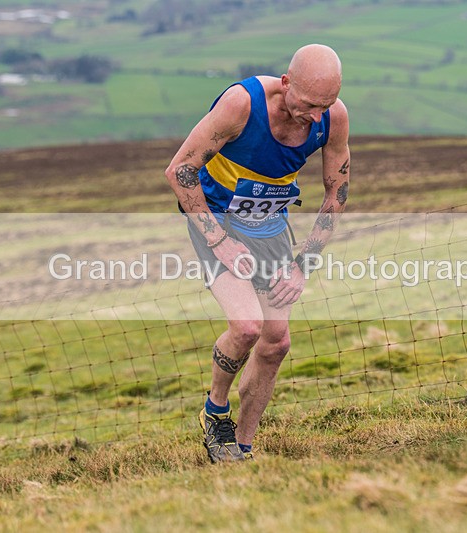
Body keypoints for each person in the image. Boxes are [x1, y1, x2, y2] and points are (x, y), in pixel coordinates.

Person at [164, 44, 350, 463]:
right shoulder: (241, 104)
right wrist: (218, 240)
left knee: (276, 342)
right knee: (247, 326)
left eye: (327, 104)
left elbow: (338, 190)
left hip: (269, 225)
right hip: (216, 220)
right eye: (308, 104)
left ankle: (241, 449)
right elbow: (180, 171)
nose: (317, 116)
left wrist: (305, 263)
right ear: (286, 84)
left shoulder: (331, 117)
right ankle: (215, 412)